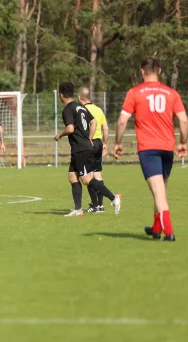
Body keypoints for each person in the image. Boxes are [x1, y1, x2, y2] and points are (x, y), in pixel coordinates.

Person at [115, 57, 188, 241]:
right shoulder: (171, 93)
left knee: (158, 191)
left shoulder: (135, 92)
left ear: (142, 72)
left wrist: (118, 143)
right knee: (160, 189)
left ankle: (169, 231)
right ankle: (156, 228)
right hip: (167, 147)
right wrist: (183, 142)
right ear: (160, 71)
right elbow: (184, 120)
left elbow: (123, 120)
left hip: (149, 148)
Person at [54, 82, 121, 217]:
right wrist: (89, 138)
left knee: (86, 179)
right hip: (81, 147)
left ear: (61, 95)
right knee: (73, 176)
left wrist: (59, 135)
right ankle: (78, 209)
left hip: (80, 149)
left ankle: (113, 198)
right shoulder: (81, 107)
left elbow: (70, 128)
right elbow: (94, 122)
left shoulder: (68, 109)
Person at [77, 86, 109, 213]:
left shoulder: (81, 110)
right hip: (99, 143)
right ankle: (100, 205)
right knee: (97, 174)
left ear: (80, 97)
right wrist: (105, 143)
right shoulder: (98, 109)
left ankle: (95, 205)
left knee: (88, 176)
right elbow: (105, 128)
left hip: (88, 144)